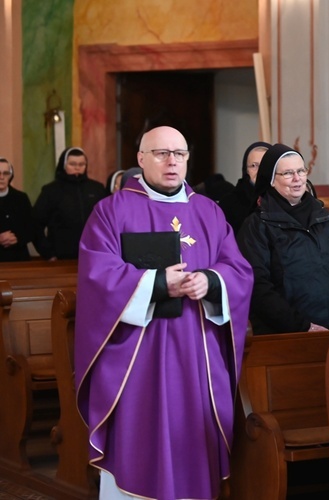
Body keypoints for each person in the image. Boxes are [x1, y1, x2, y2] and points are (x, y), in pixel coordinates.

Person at [74, 126, 253, 499]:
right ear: (141, 160)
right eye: (161, 153)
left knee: (192, 441)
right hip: (137, 355)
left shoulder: (209, 212)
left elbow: (237, 269)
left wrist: (211, 282)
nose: (172, 161)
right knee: (139, 445)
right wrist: (157, 284)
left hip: (196, 351)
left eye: (180, 154)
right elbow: (98, 274)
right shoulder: (111, 211)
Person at [237, 143, 329, 334]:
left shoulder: (325, 220)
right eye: (287, 173)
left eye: (301, 171)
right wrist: (303, 326)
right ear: (271, 180)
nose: (297, 179)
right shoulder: (257, 225)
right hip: (285, 337)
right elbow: (258, 286)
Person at [33, 147, 107, 260]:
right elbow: (35, 223)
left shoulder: (97, 189)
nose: (77, 167)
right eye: (72, 164)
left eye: (81, 164)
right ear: (64, 165)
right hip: (61, 257)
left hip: (93, 255)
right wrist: (48, 253)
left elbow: (107, 222)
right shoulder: (51, 190)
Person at [220, 141, 270, 234]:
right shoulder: (229, 203)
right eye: (254, 166)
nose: (260, 171)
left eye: (265, 164)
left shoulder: (286, 198)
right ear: (246, 170)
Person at [0, 157, 34, 261]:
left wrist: (17, 238)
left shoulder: (21, 198)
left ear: (10, 176)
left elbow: (32, 227)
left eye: (5, 173)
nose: (1, 177)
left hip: (18, 257)